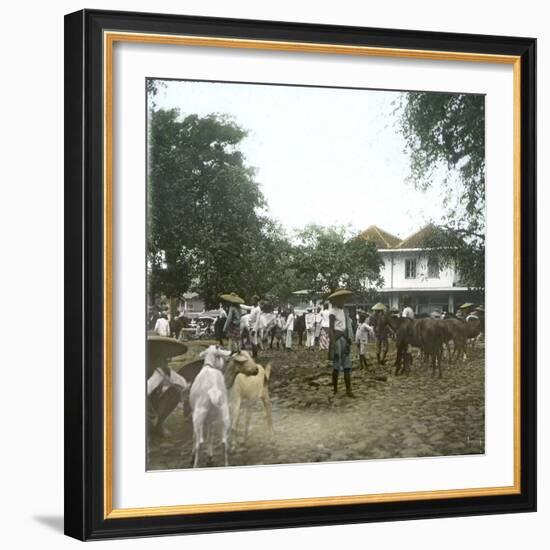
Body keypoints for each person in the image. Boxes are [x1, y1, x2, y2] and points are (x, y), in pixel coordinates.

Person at [328, 289, 355, 397]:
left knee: (347, 365)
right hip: (337, 339)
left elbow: (346, 327)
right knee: (336, 366)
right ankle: (335, 389)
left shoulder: (344, 311)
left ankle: (349, 390)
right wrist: (333, 343)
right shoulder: (332, 311)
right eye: (341, 299)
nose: (343, 301)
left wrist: (349, 339)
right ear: (336, 300)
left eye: (344, 299)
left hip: (344, 338)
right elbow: (330, 329)